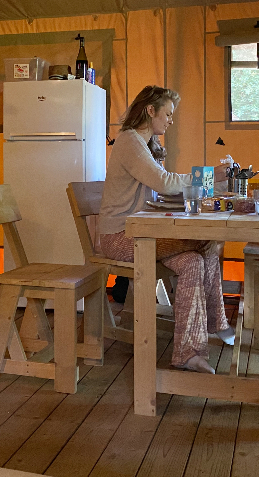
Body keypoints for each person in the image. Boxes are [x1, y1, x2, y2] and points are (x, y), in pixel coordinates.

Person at [99, 85, 233, 374]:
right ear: (150, 110)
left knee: (193, 261)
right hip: (120, 238)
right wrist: (209, 174)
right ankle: (215, 322)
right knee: (206, 241)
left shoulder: (146, 145)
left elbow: (166, 189)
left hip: (142, 233)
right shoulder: (129, 141)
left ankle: (189, 352)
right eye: (168, 113)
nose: (171, 120)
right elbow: (165, 182)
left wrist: (216, 183)